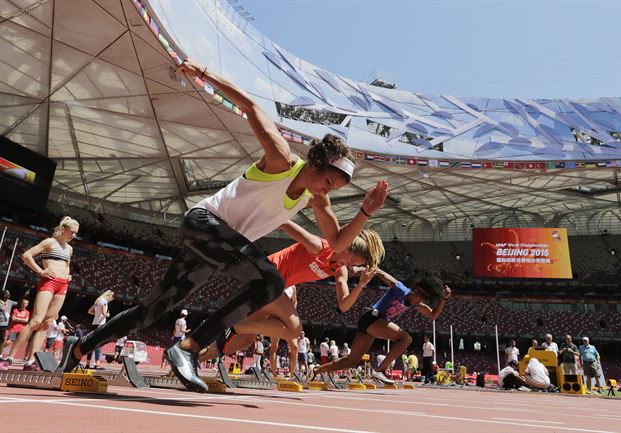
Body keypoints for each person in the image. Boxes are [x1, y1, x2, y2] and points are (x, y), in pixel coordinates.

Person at [58, 57, 388, 393]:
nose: (327, 191)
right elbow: (250, 105)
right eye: (329, 182)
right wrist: (203, 73)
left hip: (216, 245)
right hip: (204, 224)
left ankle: (81, 347)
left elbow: (338, 240)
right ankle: (188, 347)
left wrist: (365, 213)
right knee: (271, 281)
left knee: (151, 311)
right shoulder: (280, 159)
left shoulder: (317, 200)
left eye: (333, 189)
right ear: (318, 164)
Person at [197, 220, 384, 370]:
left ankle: (193, 355)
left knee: (245, 340)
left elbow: (343, 305)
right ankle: (234, 325)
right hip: (264, 276)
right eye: (352, 260)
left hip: (271, 290)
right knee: (294, 329)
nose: (351, 266)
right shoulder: (319, 246)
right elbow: (284, 222)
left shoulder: (339, 269)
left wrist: (360, 285)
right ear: (347, 246)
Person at [311, 269, 451, 385]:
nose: (419, 302)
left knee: (351, 361)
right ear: (416, 291)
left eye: (422, 301)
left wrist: (443, 299)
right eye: (419, 299)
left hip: (372, 324)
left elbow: (433, 315)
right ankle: (380, 370)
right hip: (372, 317)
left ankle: (316, 370)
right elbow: (379, 271)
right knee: (405, 339)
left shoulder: (415, 303)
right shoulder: (401, 289)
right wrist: (358, 271)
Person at [0, 217, 78, 370]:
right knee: (36, 320)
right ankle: (8, 357)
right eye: (72, 232)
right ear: (63, 230)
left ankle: (30, 361)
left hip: (63, 286)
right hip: (49, 282)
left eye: (76, 233)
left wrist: (68, 276)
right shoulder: (49, 242)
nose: (74, 235)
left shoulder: (69, 249)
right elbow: (26, 255)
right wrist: (41, 271)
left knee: (47, 323)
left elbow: (67, 265)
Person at [86, 290, 114, 369]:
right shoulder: (104, 301)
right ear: (109, 296)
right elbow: (104, 313)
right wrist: (107, 314)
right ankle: (97, 363)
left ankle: (88, 363)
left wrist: (97, 314)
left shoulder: (97, 301)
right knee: (98, 344)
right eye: (111, 299)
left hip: (94, 323)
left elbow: (89, 311)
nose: (110, 300)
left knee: (91, 344)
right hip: (101, 324)